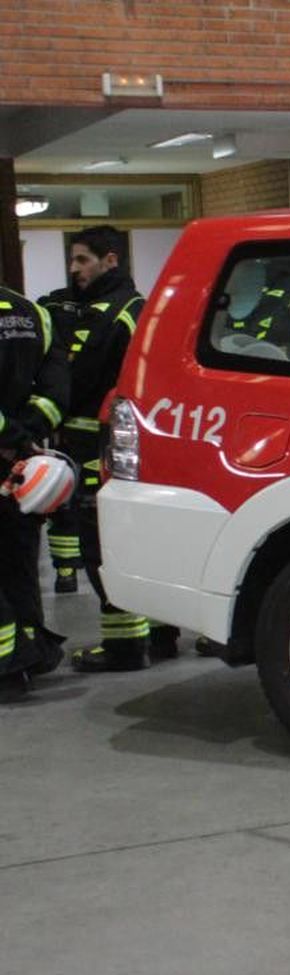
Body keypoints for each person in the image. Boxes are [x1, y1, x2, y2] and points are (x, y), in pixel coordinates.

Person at [52, 226, 178, 671]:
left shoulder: (119, 313)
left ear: (110, 261)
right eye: (73, 261)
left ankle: (125, 648)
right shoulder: (115, 308)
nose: (74, 270)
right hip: (115, 447)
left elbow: (84, 378)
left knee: (105, 546)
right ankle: (162, 634)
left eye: (83, 260)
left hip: (102, 447)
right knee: (139, 542)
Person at [0, 282, 71, 698]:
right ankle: (33, 651)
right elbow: (57, 390)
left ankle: (8, 668)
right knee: (19, 559)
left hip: (10, 447)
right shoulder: (33, 313)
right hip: (21, 459)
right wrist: (25, 434)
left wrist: (8, 434)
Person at [35, 283, 83, 593]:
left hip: (64, 421)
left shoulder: (50, 309)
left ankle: (66, 570)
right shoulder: (51, 308)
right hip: (64, 421)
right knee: (62, 499)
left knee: (62, 499)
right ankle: (66, 568)